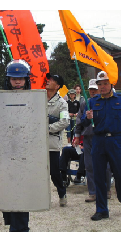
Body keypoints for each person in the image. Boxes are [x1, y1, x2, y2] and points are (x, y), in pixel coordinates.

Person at [80, 71, 121, 221]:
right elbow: (83, 123)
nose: (102, 87)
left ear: (111, 84)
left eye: (105, 83)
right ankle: (102, 209)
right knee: (99, 176)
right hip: (98, 141)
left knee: (119, 174)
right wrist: (87, 117)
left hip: (116, 141)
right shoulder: (92, 101)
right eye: (100, 84)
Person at [1, 59, 32, 232]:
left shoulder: (33, 98)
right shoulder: (0, 98)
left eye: (20, 78)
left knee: (21, 187)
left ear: (27, 79)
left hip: (25, 150)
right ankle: (14, 224)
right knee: (8, 188)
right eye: (13, 78)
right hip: (6, 150)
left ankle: (19, 228)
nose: (17, 82)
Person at [74, 79, 112, 203]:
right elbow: (79, 120)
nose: (92, 92)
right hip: (88, 138)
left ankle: (106, 189)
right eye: (90, 89)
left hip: (103, 137)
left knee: (105, 166)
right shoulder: (85, 103)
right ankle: (93, 192)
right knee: (89, 165)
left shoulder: (106, 102)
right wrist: (78, 135)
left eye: (95, 89)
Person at [46, 73, 69, 207]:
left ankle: (62, 192)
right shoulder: (39, 97)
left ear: (58, 86)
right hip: (37, 141)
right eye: (48, 79)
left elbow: (64, 122)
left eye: (52, 80)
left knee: (54, 171)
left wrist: (48, 128)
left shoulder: (62, 103)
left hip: (52, 141)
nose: (48, 81)